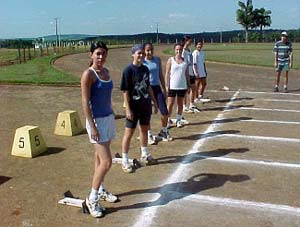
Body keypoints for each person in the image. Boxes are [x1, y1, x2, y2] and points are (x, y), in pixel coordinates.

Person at [81, 42, 118, 218]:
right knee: (107, 162)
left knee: (99, 159)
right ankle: (92, 198)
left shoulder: (106, 72)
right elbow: (85, 102)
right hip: (96, 121)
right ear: (91, 55)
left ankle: (101, 189)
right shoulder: (89, 74)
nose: (101, 57)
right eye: (97, 54)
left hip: (108, 118)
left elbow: (106, 97)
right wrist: (92, 125)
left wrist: (112, 112)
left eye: (103, 54)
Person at [120, 44, 158, 173]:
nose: (141, 55)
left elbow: (148, 87)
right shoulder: (128, 70)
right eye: (138, 53)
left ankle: (144, 153)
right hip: (133, 106)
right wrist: (128, 109)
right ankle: (125, 159)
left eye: (142, 53)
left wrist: (154, 101)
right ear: (133, 55)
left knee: (144, 130)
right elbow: (125, 91)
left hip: (145, 104)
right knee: (129, 133)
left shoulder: (145, 69)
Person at [143, 43, 173, 142]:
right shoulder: (142, 62)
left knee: (164, 112)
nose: (149, 52)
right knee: (147, 112)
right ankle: (149, 134)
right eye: (147, 50)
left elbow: (160, 75)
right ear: (144, 51)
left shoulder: (157, 60)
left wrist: (164, 89)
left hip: (156, 88)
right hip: (146, 88)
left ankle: (164, 131)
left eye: (151, 50)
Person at [165, 43, 191, 128]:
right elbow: (167, 73)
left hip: (182, 86)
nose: (178, 51)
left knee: (180, 104)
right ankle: (167, 120)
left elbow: (186, 74)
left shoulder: (184, 61)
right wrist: (166, 85)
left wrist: (188, 85)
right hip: (172, 86)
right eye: (177, 49)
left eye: (180, 49)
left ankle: (178, 120)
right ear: (174, 50)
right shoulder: (170, 60)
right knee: (170, 104)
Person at [181, 36, 198, 113]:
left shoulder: (189, 50)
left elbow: (191, 63)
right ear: (185, 41)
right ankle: (184, 106)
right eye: (189, 41)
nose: (190, 43)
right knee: (186, 90)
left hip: (191, 72)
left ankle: (191, 104)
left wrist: (194, 71)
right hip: (185, 73)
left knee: (193, 88)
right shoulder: (182, 51)